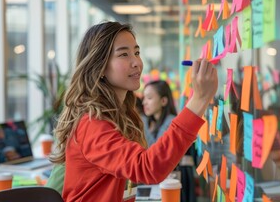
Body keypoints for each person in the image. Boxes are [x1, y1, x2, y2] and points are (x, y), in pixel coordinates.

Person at [50, 21, 218, 202]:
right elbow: (148, 168)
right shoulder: (92, 123)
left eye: (137, 53)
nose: (137, 62)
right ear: (99, 67)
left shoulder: (122, 116)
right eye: (123, 54)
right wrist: (199, 99)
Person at [142, 80, 177, 147]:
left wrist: (142, 124)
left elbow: (156, 151)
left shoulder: (171, 122)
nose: (144, 102)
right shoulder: (152, 122)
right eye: (144, 98)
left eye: (149, 98)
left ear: (163, 101)